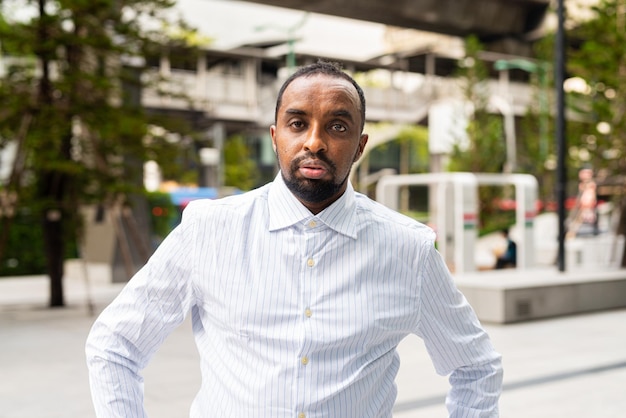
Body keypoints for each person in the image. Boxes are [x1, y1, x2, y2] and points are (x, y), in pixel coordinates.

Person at [86, 61, 502, 417]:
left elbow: (476, 368)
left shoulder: (407, 249)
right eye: (297, 123)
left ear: (359, 147)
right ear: (275, 137)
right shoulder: (208, 230)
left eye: (337, 126)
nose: (315, 142)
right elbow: (115, 345)